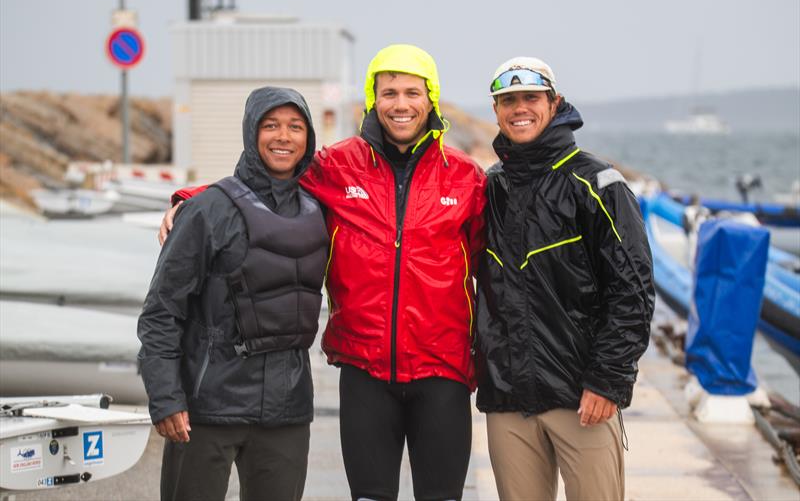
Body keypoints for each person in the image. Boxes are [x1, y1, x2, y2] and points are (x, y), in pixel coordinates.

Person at [161, 45, 487, 501]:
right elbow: (268, 178)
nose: (400, 104)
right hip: (364, 369)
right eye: (388, 91)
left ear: (431, 99)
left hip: (443, 370)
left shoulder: (466, 179)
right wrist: (190, 198)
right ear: (373, 98)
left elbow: (497, 269)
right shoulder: (338, 166)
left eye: (413, 92)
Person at [474, 57, 655, 501]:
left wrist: (608, 380)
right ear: (496, 110)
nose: (520, 109)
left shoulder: (598, 183)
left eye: (531, 98)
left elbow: (633, 292)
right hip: (509, 397)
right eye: (508, 100)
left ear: (554, 103)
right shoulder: (490, 186)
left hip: (583, 397)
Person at [138, 86, 328, 501]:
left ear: (308, 138)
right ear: (250, 132)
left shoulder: (321, 208)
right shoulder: (209, 210)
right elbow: (161, 311)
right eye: (271, 125)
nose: (284, 137)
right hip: (208, 404)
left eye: (295, 127)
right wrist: (165, 397)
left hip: (286, 408)